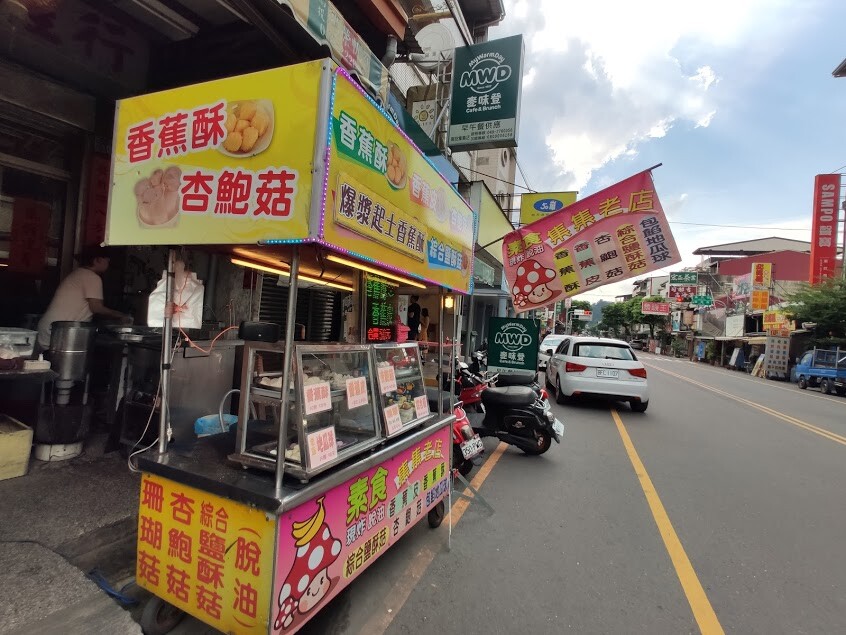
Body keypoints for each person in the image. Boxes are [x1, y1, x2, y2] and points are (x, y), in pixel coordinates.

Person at [36, 246, 128, 350]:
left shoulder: (80, 273)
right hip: (59, 331)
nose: (108, 264)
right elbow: (96, 307)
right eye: (107, 261)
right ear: (97, 260)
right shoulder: (92, 277)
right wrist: (121, 315)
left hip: (55, 328)